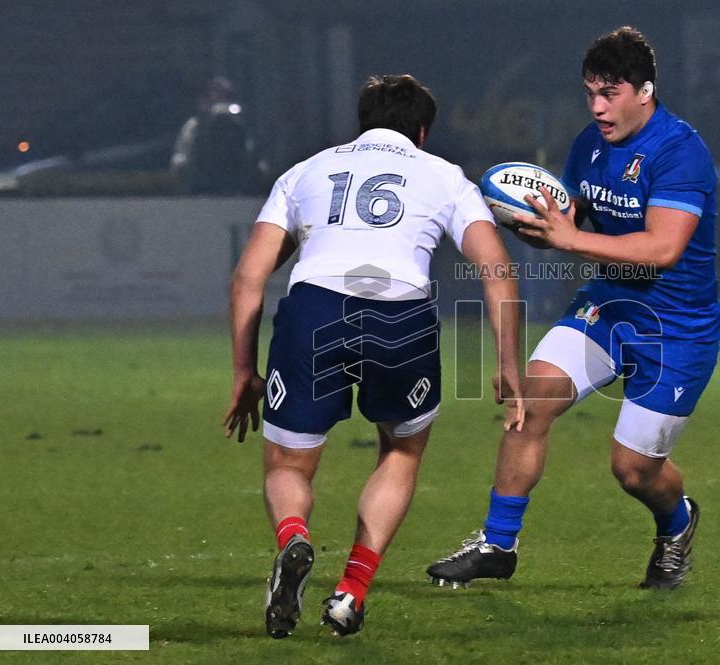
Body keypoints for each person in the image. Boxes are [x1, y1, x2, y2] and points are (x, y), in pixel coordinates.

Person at [223, 74, 524, 638]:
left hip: (316, 309)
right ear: (422, 132)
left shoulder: (305, 171)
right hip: (400, 316)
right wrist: (508, 363)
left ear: (361, 123)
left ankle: (293, 538)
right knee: (401, 451)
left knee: (288, 465)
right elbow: (496, 269)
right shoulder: (444, 176)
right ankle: (350, 594)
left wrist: (244, 370)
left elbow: (249, 277)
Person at [427, 27, 720, 591]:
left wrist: (568, 238)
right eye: (590, 94)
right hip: (608, 307)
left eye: (610, 94)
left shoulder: (680, 151)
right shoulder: (590, 144)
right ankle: (497, 544)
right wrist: (534, 226)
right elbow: (570, 222)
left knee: (633, 471)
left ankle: (677, 523)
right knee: (529, 401)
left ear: (645, 91)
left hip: (676, 329)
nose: (597, 107)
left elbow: (663, 248)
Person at [171, 76, 257, 194]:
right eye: (216, 93)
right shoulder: (195, 126)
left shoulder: (238, 125)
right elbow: (182, 156)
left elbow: (249, 151)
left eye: (225, 95)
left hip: (235, 184)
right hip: (200, 185)